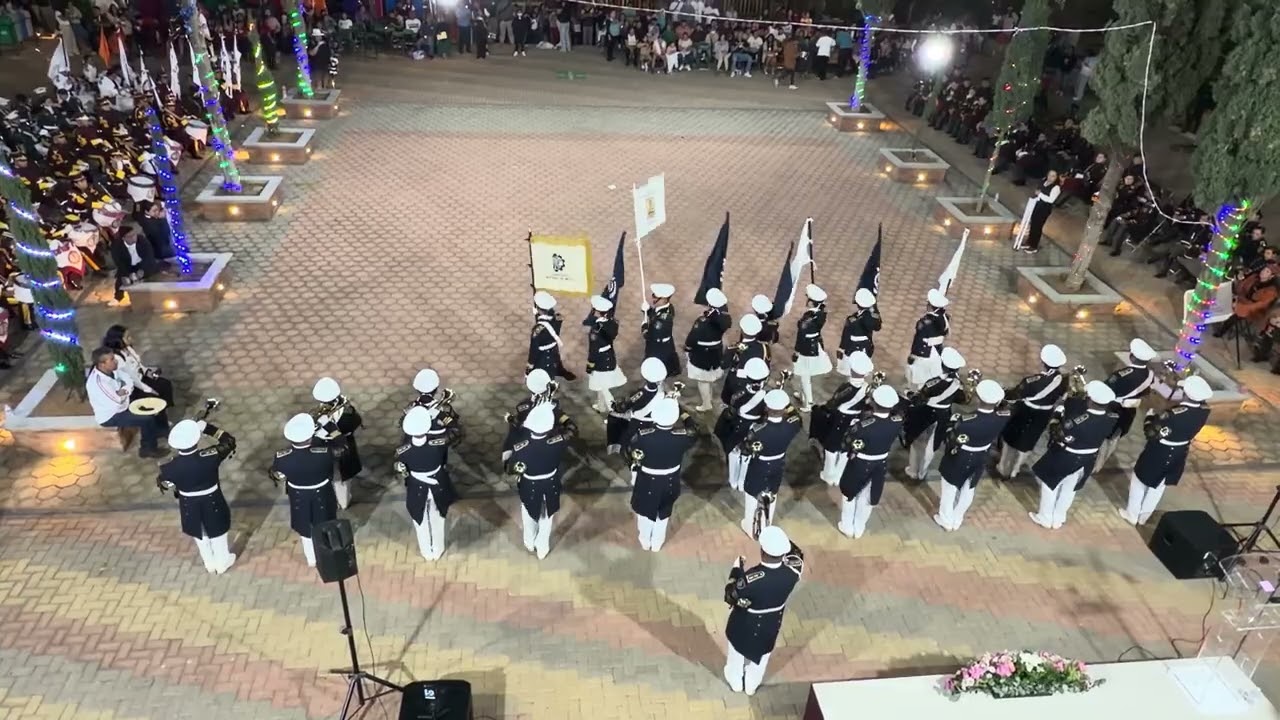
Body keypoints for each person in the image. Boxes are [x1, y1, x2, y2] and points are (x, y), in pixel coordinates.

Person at [722, 525, 804, 695]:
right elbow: (797, 553)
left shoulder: (752, 578)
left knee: (737, 651)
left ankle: (735, 681)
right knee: (762, 657)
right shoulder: (794, 570)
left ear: (762, 552)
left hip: (745, 623)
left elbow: (730, 595)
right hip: (771, 623)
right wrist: (778, 540)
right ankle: (752, 685)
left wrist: (737, 569)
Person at [1120, 376, 1213, 525]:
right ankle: (1144, 516)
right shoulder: (1204, 411)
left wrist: (1149, 418)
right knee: (1159, 485)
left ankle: (1132, 514)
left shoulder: (1173, 415)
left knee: (1139, 480)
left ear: (1187, 394)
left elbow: (1151, 433)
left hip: (1160, 451)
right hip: (1180, 452)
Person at [1029, 381, 1118, 530]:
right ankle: (1059, 517)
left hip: (1067, 457)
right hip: (1087, 459)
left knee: (1050, 485)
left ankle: (1045, 517)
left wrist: (1058, 413)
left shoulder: (1077, 422)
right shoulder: (1112, 417)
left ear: (1090, 399)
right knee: (1070, 488)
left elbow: (1056, 433)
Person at [158, 418, 238, 574]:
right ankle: (222, 562)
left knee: (200, 534)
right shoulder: (210, 456)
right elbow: (229, 442)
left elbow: (164, 483)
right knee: (218, 532)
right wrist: (208, 428)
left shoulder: (168, 467)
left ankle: (209, 562)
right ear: (195, 441)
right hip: (212, 499)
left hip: (188, 502)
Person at [935, 380, 1010, 531]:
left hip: (961, 455)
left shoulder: (966, 422)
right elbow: (1006, 408)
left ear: (979, 398)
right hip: (981, 455)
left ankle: (945, 519)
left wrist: (951, 424)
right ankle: (957, 518)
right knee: (968, 488)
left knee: (950, 488)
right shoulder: (1003, 416)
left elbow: (950, 440)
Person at [628, 398, 696, 551]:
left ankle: (645, 540)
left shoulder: (644, 436)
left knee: (644, 512)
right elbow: (693, 429)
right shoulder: (683, 436)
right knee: (664, 513)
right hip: (670, 480)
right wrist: (683, 413)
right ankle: (657, 542)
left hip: (647, 480)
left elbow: (632, 448)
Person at [270, 413, 339, 567]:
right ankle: (328, 553)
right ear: (309, 436)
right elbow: (342, 448)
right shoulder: (323, 454)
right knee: (326, 521)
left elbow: (276, 472)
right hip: (322, 493)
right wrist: (330, 427)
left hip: (298, 496)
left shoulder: (281, 457)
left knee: (305, 527)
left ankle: (311, 559)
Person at [506, 402, 573, 559]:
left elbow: (510, 469)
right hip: (550, 483)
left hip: (529, 484)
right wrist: (557, 412)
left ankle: (529, 541)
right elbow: (571, 430)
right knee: (547, 517)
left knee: (528, 512)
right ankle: (542, 547)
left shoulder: (520, 447)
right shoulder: (559, 441)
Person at [835, 385, 902, 538]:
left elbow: (846, 444)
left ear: (874, 403)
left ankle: (847, 526)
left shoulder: (862, 426)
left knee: (849, 494)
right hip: (880, 464)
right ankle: (859, 528)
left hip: (860, 463)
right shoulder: (897, 421)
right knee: (868, 496)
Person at [397, 405, 462, 560]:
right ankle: (438, 550)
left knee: (420, 522)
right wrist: (439, 413)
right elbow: (456, 432)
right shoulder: (438, 444)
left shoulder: (402, 450)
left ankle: (427, 552)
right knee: (438, 518)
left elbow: (400, 466)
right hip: (437, 486)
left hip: (416, 488)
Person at [997, 344, 1068, 479]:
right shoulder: (1064, 380)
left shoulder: (1032, 381)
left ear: (1043, 362)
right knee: (1029, 441)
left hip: (1025, 411)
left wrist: (1003, 391)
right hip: (1044, 415)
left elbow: (1014, 395)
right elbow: (1063, 397)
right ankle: (1016, 470)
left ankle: (1002, 466)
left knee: (1010, 437)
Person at [737, 389, 801, 537]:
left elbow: (745, 450)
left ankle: (750, 527)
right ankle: (767, 524)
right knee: (772, 494)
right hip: (778, 464)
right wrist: (788, 405)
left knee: (752, 495)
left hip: (759, 466)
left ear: (766, 408)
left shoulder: (757, 430)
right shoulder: (792, 424)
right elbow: (795, 415)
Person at [86, 347, 170, 458]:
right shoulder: (98, 383)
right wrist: (124, 391)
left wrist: (123, 390)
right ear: (102, 364)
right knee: (147, 418)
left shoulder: (112, 369)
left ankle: (158, 430)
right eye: (111, 359)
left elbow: (128, 379)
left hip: (124, 404)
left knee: (153, 400)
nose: (115, 361)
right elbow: (116, 401)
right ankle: (148, 449)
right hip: (112, 415)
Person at [901, 347, 967, 481]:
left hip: (926, 412)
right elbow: (963, 399)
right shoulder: (958, 383)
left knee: (916, 441)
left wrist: (907, 392)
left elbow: (919, 399)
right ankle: (922, 472)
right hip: (944, 414)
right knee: (932, 445)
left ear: (942, 364)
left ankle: (913, 470)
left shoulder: (934, 383)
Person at [813, 351, 873, 485]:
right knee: (846, 446)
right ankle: (839, 475)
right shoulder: (868, 388)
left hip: (841, 418)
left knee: (831, 446)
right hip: (856, 418)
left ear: (852, 370)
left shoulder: (848, 387)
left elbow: (834, 402)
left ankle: (829, 474)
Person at [1097, 338, 1158, 468]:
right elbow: (1147, 391)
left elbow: (1104, 389)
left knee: (1101, 437)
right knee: (1114, 438)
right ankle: (1100, 463)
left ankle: (1094, 464)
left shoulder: (1121, 375)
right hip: (1129, 412)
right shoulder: (1150, 375)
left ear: (1132, 357)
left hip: (1112, 409)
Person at [716, 357, 770, 489]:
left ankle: (733, 481)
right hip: (754, 427)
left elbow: (729, 406)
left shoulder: (738, 389)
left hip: (737, 425)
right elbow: (765, 415)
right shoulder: (767, 394)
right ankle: (741, 482)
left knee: (733, 453)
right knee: (747, 455)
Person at [311, 376, 363, 509]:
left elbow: (352, 426)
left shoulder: (347, 414)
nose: (323, 405)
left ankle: (342, 502)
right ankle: (335, 500)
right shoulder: (326, 411)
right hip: (327, 452)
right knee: (331, 478)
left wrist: (328, 427)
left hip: (342, 452)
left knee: (342, 481)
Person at [606, 357, 669, 457]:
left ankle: (622, 451)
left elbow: (625, 406)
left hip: (639, 419)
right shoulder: (661, 387)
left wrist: (617, 406)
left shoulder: (642, 393)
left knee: (624, 434)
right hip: (653, 418)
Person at [101, 324, 174, 406]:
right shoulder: (117, 358)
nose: (130, 339)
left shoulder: (127, 348)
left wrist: (147, 372)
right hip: (135, 386)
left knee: (165, 384)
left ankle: (164, 407)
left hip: (141, 376)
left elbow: (137, 363)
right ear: (117, 340)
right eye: (127, 337)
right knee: (154, 395)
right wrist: (149, 389)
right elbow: (133, 379)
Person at [684, 287, 730, 411]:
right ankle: (708, 398)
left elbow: (692, 338)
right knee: (708, 379)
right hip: (716, 354)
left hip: (702, 355)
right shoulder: (724, 319)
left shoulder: (703, 321)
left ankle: (706, 404)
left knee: (703, 381)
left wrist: (687, 348)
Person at [790, 284, 832, 412]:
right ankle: (804, 397)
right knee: (805, 375)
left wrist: (797, 351)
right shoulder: (820, 313)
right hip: (815, 344)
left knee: (804, 375)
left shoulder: (809, 317)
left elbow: (801, 336)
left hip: (807, 348)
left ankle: (808, 402)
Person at [586, 295, 627, 413]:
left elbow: (593, 351)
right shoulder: (612, 323)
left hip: (600, 362)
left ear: (597, 311)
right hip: (609, 356)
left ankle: (613, 411)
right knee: (601, 386)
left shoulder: (595, 330)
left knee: (603, 388)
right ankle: (601, 406)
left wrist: (590, 365)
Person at [721, 314, 771, 404]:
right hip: (757, 383)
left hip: (737, 384)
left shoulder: (734, 348)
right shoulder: (764, 347)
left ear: (742, 331)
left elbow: (724, 365)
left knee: (733, 404)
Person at [906, 289, 950, 391]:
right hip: (937, 351)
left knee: (920, 378)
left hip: (924, 354)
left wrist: (913, 355)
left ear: (930, 306)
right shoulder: (944, 318)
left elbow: (918, 341)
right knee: (932, 376)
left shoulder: (924, 322)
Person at [528, 290, 576, 380]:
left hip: (543, 355)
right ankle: (560, 371)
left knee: (542, 373)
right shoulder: (558, 318)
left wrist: (529, 365)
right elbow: (552, 316)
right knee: (556, 362)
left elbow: (533, 349)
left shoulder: (538, 330)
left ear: (538, 308)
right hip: (554, 348)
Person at [107, 226, 159, 308]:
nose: (134, 238)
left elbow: (148, 256)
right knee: (121, 278)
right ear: (123, 238)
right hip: (128, 265)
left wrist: (142, 269)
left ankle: (151, 294)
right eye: (130, 236)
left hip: (141, 263)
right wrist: (128, 273)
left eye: (134, 235)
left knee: (152, 270)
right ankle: (118, 297)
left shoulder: (142, 240)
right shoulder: (116, 246)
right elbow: (119, 262)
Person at [838, 288, 881, 372]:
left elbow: (846, 337)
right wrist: (874, 310)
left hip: (852, 349)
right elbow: (877, 327)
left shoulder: (852, 320)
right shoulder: (873, 317)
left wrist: (841, 348)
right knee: (863, 370)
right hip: (866, 347)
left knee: (852, 372)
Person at [642, 283, 680, 377]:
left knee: (657, 371)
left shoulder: (664, 319)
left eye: (655, 297)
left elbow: (648, 335)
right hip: (664, 344)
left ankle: (657, 389)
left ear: (664, 299)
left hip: (658, 348)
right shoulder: (667, 307)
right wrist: (647, 311)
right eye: (653, 295)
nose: (653, 298)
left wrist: (644, 325)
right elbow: (655, 315)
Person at [1020, 170, 1062, 254]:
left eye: (1053, 176)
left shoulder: (1056, 188)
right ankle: (1029, 242)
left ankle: (1034, 246)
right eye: (1050, 175)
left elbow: (1051, 200)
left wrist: (1040, 194)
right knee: (1033, 224)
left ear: (1056, 177)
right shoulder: (1044, 182)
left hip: (1044, 209)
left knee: (1037, 227)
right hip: (1037, 205)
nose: (1050, 177)